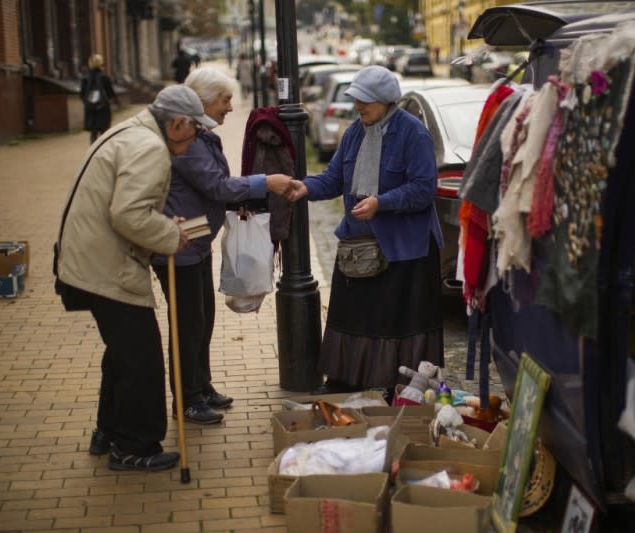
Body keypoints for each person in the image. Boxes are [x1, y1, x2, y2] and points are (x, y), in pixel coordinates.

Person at [56, 85, 218, 471]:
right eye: (196, 129)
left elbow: (130, 208)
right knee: (141, 359)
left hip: (86, 261)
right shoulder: (149, 148)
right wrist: (169, 236)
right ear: (178, 123)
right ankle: (133, 447)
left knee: (123, 354)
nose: (198, 138)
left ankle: (108, 432)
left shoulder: (129, 131)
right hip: (104, 268)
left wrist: (162, 225)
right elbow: (128, 215)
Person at [288, 66, 445, 401]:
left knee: (400, 320)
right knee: (353, 313)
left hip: (406, 248)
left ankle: (401, 387)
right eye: (356, 100)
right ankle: (346, 379)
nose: (359, 107)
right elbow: (332, 179)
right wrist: (304, 187)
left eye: (366, 101)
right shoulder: (354, 133)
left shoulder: (412, 134)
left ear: (387, 101)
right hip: (359, 243)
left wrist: (381, 203)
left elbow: (423, 189)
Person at [151, 67, 295, 425]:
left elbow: (214, 190)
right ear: (201, 102)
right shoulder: (188, 141)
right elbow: (216, 186)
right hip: (178, 246)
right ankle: (186, 400)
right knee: (187, 325)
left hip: (196, 242)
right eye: (225, 99)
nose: (230, 107)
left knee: (202, 319)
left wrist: (234, 201)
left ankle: (201, 386)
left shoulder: (202, 135)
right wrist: (265, 182)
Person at [80, 54, 118, 144]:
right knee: (104, 133)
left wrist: (89, 102)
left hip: (90, 109)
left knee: (93, 133)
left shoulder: (85, 79)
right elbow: (111, 94)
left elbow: (82, 95)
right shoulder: (105, 77)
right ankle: (103, 152)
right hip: (103, 108)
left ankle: (93, 152)